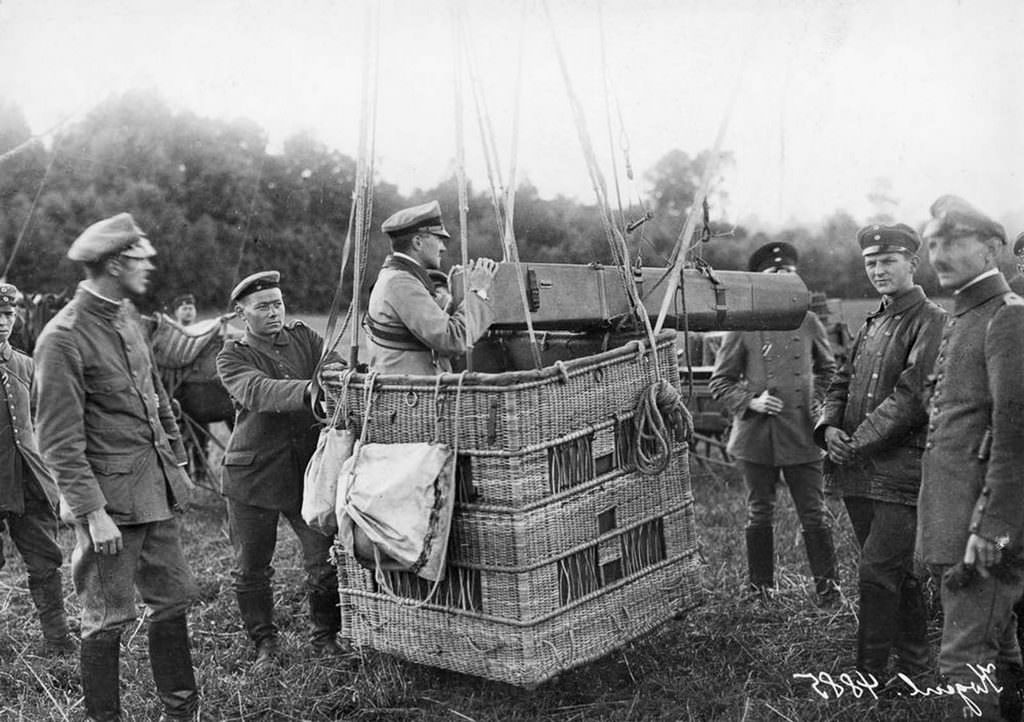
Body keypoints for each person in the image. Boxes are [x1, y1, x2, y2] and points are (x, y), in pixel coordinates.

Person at [33, 212, 198, 721]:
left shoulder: (125, 317)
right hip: (109, 506)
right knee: (106, 619)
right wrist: (92, 513)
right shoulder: (62, 338)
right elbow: (58, 440)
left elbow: (157, 401)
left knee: (171, 603)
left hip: (155, 492)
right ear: (114, 263)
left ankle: (181, 711)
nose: (150, 268)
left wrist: (179, 462)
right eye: (141, 260)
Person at [814, 224, 945, 682]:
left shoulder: (932, 320)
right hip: (858, 470)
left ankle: (866, 676)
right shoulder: (871, 323)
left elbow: (911, 399)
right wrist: (828, 425)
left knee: (875, 572)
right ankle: (913, 665)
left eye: (888, 261)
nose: (878, 270)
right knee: (896, 574)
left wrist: (855, 442)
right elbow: (841, 382)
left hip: (900, 473)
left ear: (913, 262)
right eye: (871, 263)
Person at [917, 195, 1024, 719]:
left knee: (964, 660)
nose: (938, 253)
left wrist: (994, 528)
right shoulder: (966, 316)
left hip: (983, 531)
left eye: (953, 241)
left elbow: (1016, 434)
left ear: (991, 249)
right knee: (996, 646)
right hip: (958, 521)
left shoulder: (1007, 318)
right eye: (932, 242)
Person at [216, 270, 347, 668]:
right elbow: (257, 390)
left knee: (324, 559)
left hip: (306, 475)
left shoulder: (305, 338)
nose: (273, 312)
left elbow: (334, 362)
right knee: (252, 567)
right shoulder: (232, 356)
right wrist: (310, 389)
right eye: (262, 307)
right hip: (251, 477)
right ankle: (264, 644)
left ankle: (326, 637)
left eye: (278, 304)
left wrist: (337, 373)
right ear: (242, 315)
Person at [709, 242, 840, 606]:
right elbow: (720, 380)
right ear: (759, 282)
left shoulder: (810, 321)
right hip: (757, 437)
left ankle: (830, 593)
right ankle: (761, 591)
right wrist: (751, 401)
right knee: (759, 511)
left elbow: (830, 370)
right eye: (772, 275)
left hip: (803, 433)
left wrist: (818, 403)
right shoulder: (743, 323)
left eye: (787, 274)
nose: (781, 280)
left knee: (814, 512)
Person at [0, 281, 75, 655]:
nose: (2, 321)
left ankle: (58, 640)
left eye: (8, 313)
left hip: (29, 478)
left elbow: (41, 420)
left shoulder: (25, 365)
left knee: (45, 558)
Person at [366, 200, 497, 374]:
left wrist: (456, 293)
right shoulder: (401, 283)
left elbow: (435, 327)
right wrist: (478, 291)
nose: (442, 248)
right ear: (418, 242)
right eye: (438, 239)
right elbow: (453, 339)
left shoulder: (398, 277)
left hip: (412, 390)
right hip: (413, 396)